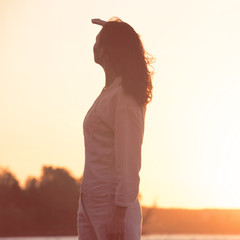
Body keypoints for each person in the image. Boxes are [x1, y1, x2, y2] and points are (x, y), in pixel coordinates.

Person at [77, 17, 154, 240]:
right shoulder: (109, 92)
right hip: (89, 200)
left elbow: (130, 160)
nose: (94, 46)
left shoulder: (125, 97)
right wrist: (112, 30)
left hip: (111, 205)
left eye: (98, 41)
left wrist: (119, 214)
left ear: (109, 50)